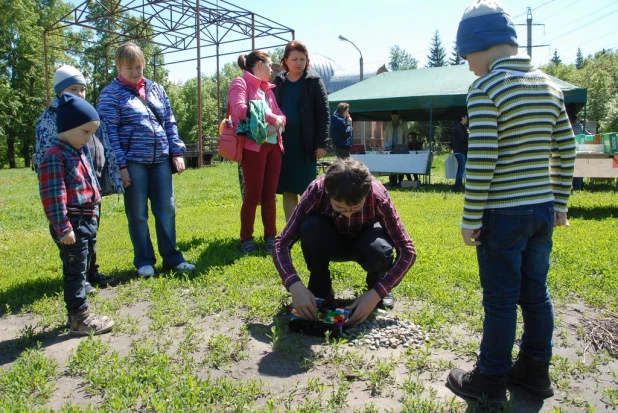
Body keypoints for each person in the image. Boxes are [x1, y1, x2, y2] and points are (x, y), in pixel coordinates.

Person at [445, 0, 576, 406]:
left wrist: (470, 219)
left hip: (503, 213)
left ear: (481, 45)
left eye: (466, 55)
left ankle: (490, 377)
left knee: (500, 299)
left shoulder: (485, 89)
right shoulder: (550, 85)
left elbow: (482, 160)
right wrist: (560, 202)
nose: (467, 64)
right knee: (536, 293)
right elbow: (567, 147)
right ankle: (535, 370)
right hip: (541, 211)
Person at [272, 159, 417, 326]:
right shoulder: (316, 191)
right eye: (340, 208)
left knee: (381, 250)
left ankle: (376, 286)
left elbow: (408, 251)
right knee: (311, 227)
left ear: (366, 192)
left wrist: (378, 292)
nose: (348, 214)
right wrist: (294, 285)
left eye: (355, 208)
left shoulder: (378, 196)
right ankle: (321, 288)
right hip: (330, 240)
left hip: (366, 242)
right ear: (328, 192)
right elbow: (281, 243)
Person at [98, 42, 195, 277]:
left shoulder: (156, 89)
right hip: (132, 162)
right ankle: (144, 261)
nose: (135, 72)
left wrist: (177, 152)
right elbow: (109, 133)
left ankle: (172, 258)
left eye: (139, 67)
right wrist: (120, 166)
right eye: (129, 67)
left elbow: (169, 121)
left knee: (167, 210)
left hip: (161, 158)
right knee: (138, 213)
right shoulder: (110, 94)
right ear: (119, 67)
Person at [35, 65, 121, 293]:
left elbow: (104, 144)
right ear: (59, 91)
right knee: (75, 238)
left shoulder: (84, 112)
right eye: (73, 88)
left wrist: (113, 176)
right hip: (70, 192)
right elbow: (48, 162)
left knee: (90, 233)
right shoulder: (49, 119)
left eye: (82, 89)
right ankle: (78, 278)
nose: (79, 93)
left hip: (90, 187)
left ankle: (90, 270)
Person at [38, 93, 115, 336]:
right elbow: (53, 197)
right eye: (86, 132)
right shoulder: (55, 156)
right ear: (68, 126)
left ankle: (77, 312)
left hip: (86, 220)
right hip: (72, 223)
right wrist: (63, 228)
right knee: (75, 272)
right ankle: (79, 318)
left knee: (81, 269)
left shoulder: (78, 150)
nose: (89, 137)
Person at [228, 50, 286, 254]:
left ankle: (271, 237)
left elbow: (281, 115)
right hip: (253, 148)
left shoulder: (267, 90)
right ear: (259, 65)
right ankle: (246, 238)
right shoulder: (240, 83)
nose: (272, 70)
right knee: (253, 195)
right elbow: (240, 110)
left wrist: (277, 123)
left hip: (274, 146)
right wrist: (272, 120)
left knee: (269, 194)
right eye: (270, 65)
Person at [273, 40, 330, 221]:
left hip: (306, 144)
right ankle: (292, 228)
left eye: (302, 59)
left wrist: (321, 143)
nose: (299, 63)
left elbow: (324, 113)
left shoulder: (313, 80)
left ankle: (309, 227)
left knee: (308, 188)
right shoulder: (279, 81)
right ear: (285, 61)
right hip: (283, 144)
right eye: (294, 59)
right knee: (288, 188)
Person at [383, 110, 408, 186]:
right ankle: (392, 181)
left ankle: (400, 181)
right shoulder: (388, 125)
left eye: (395, 116)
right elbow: (385, 137)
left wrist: (406, 146)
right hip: (390, 147)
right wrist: (385, 147)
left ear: (398, 116)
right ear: (391, 116)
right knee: (391, 164)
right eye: (393, 116)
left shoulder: (403, 124)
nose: (394, 118)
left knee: (400, 164)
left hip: (400, 147)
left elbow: (406, 136)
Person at [451, 113, 469, 192]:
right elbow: (463, 137)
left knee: (461, 168)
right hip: (460, 150)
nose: (467, 119)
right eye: (466, 118)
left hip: (460, 150)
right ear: (462, 118)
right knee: (461, 169)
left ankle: (459, 185)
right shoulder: (459, 127)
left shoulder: (458, 127)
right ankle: (457, 186)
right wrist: (469, 136)